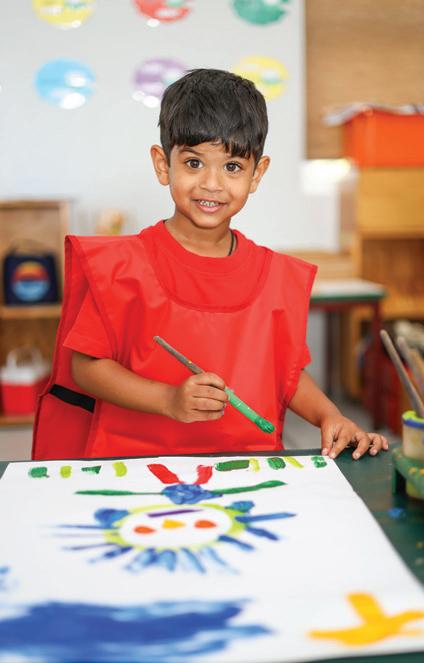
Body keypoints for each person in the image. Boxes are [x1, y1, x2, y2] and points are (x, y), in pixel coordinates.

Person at [33, 69, 388, 461]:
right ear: (163, 164)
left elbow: (285, 373)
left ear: (257, 174)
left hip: (248, 470)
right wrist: (168, 399)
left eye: (232, 166)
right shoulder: (121, 267)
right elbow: (86, 367)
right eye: (194, 163)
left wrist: (329, 415)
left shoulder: (276, 276)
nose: (212, 184)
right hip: (133, 468)